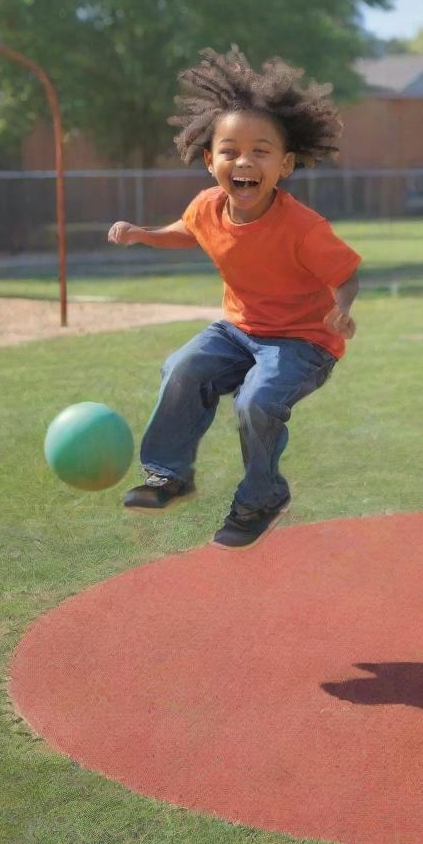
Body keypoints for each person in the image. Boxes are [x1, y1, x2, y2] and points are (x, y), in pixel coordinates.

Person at [107, 47, 361, 550]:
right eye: (230, 150)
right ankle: (168, 474)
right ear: (210, 160)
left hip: (302, 343)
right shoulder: (207, 206)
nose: (244, 160)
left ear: (285, 165)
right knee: (182, 367)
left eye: (261, 151)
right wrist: (143, 234)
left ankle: (262, 496)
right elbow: (188, 232)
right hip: (238, 332)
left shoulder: (304, 228)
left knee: (257, 400)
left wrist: (343, 308)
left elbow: (347, 273)